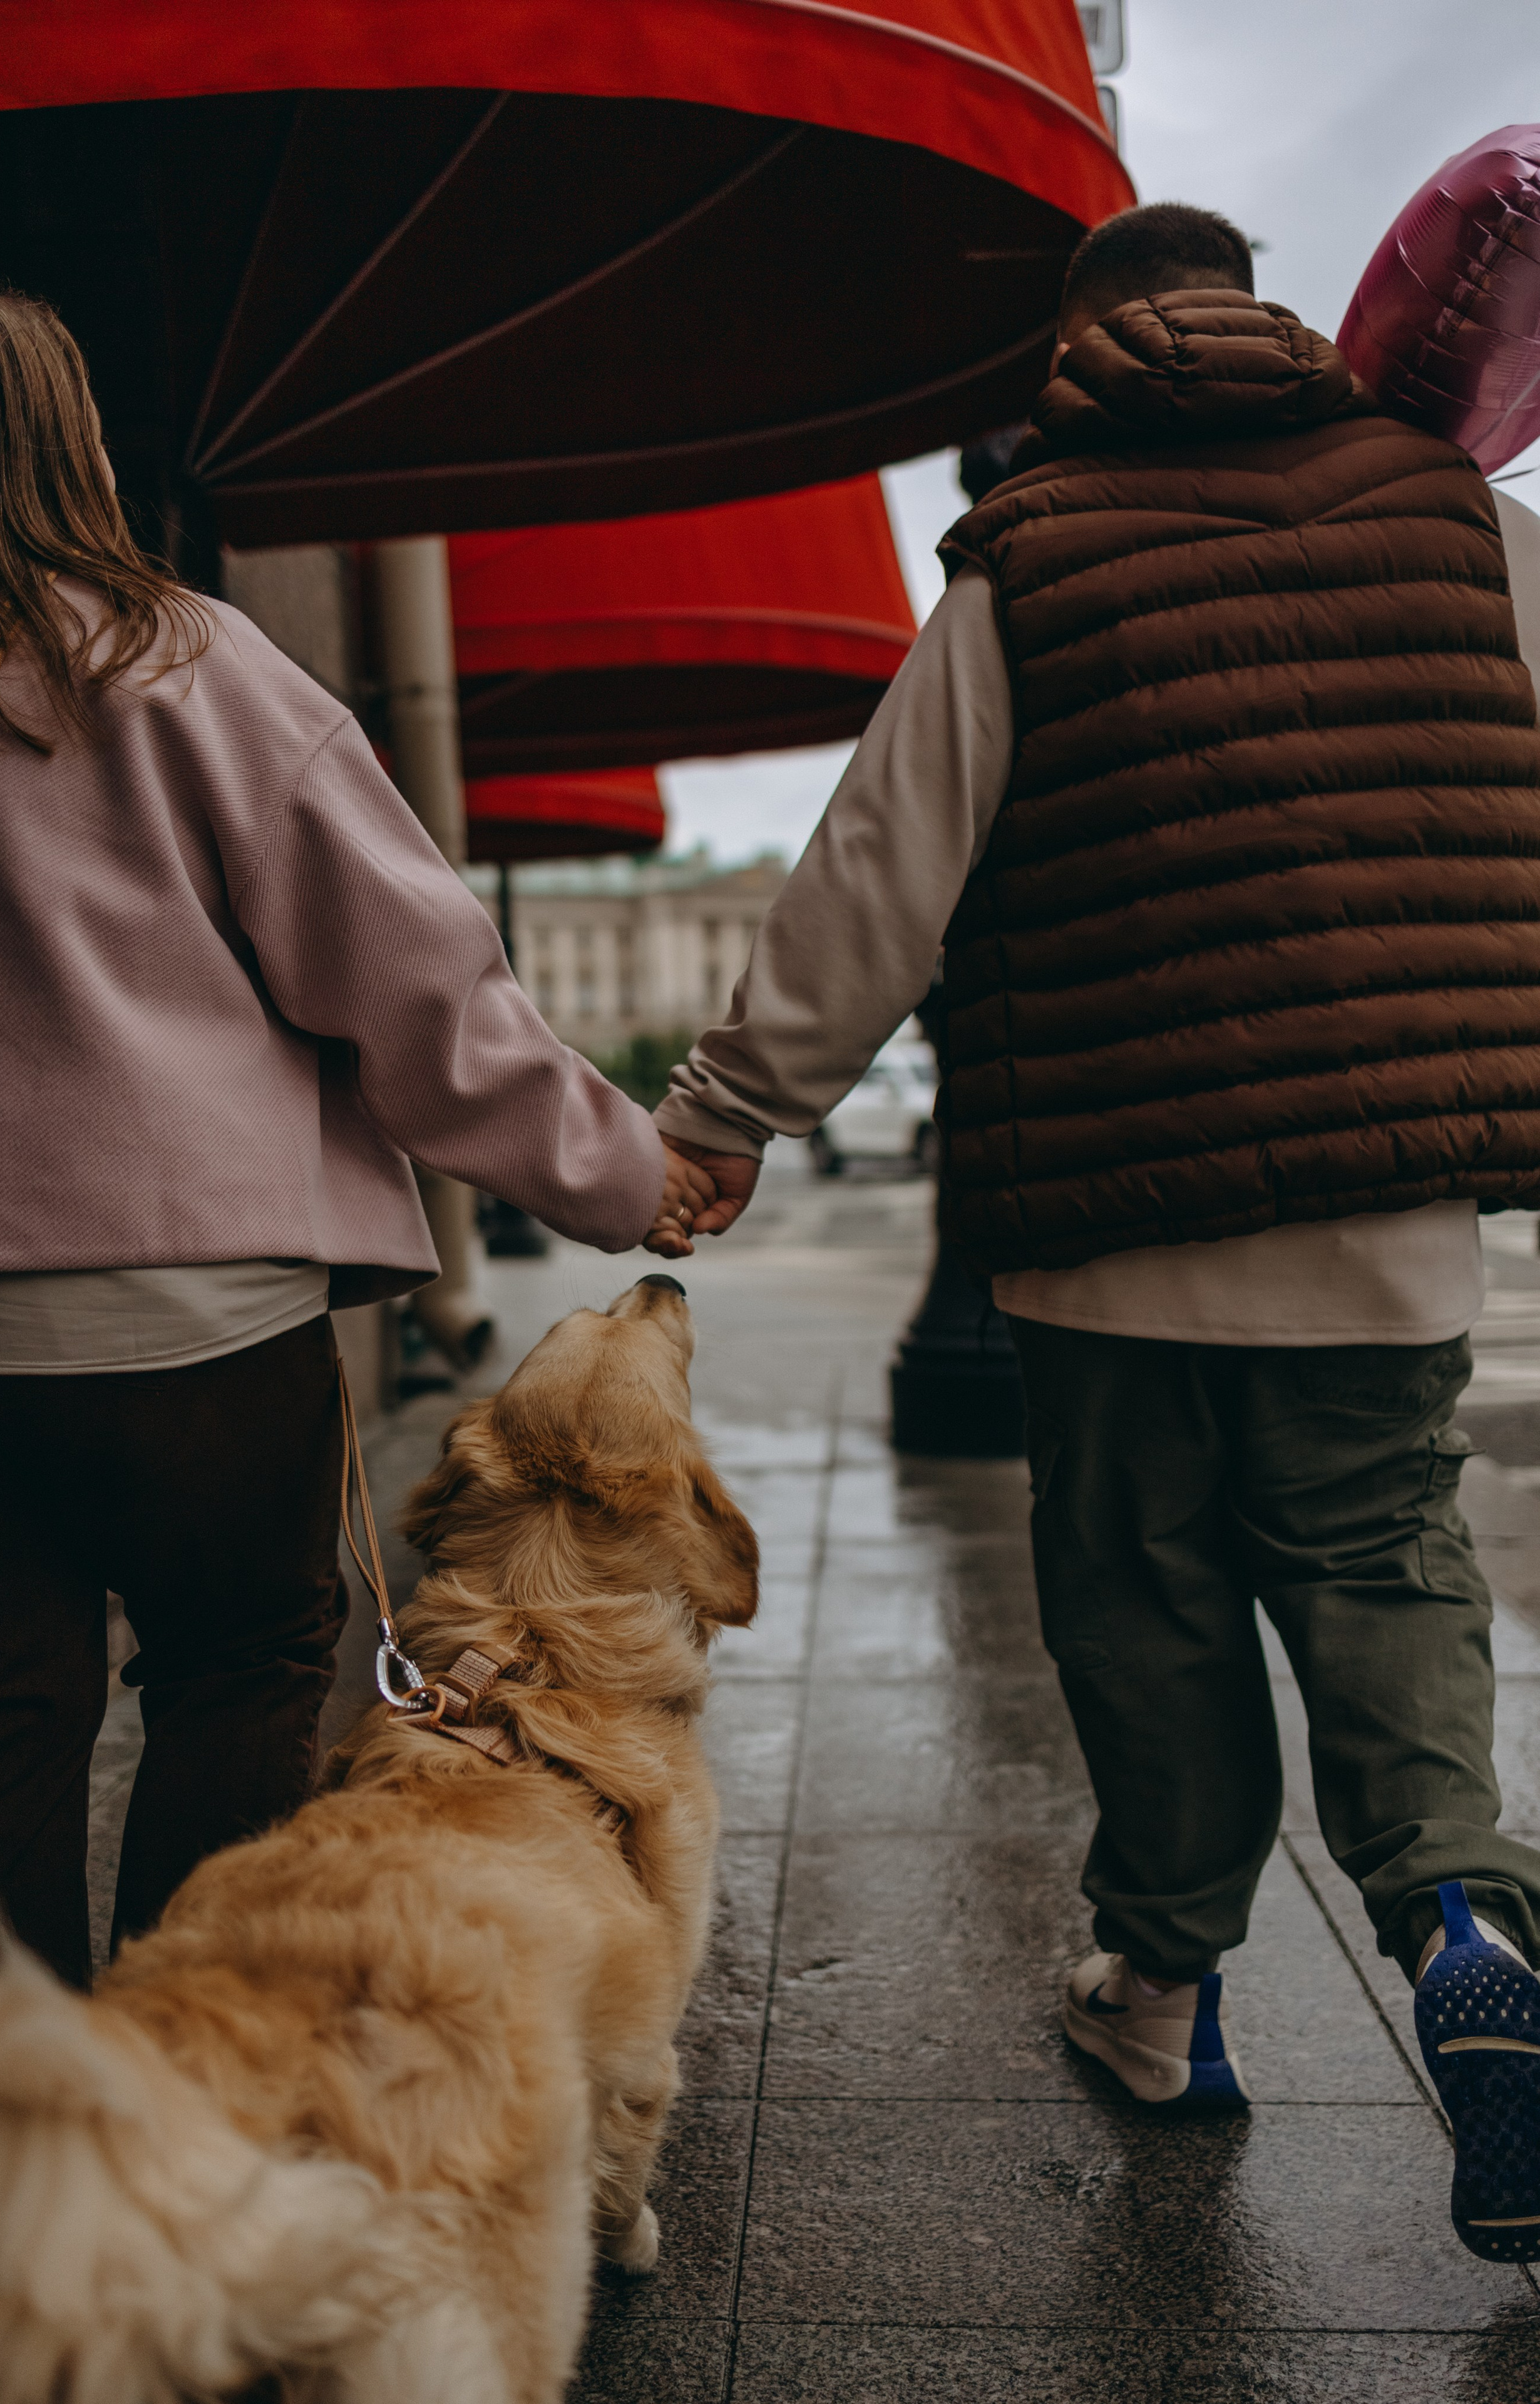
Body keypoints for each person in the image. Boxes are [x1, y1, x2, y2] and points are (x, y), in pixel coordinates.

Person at [654, 202, 1540, 2261]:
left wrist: (727, 1114)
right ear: (1270, 315)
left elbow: (882, 864)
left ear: (1082, 346)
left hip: (1111, 1219)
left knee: (1143, 1605)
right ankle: (1467, 1916)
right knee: (1387, 1566)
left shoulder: (1033, 545)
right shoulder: (1465, 526)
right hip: (1386, 1204)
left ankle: (1159, 1997)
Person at [0, 260, 711, 1993]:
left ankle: (8, 2155)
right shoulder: (186, 668)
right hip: (198, 1324)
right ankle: (197, 2104)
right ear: (66, 446)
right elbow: (423, 1002)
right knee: (237, 1672)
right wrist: (627, 1176)